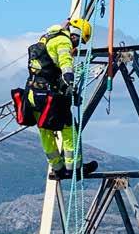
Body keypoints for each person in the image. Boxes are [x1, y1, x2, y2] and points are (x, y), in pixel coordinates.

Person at [13, 18, 98, 180]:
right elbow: (65, 64)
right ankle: (74, 168)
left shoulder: (46, 38)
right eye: (79, 41)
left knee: (45, 131)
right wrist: (70, 84)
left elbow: (48, 65)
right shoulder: (63, 42)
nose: (76, 46)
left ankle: (58, 169)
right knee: (68, 128)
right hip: (48, 95)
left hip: (32, 94)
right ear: (75, 34)